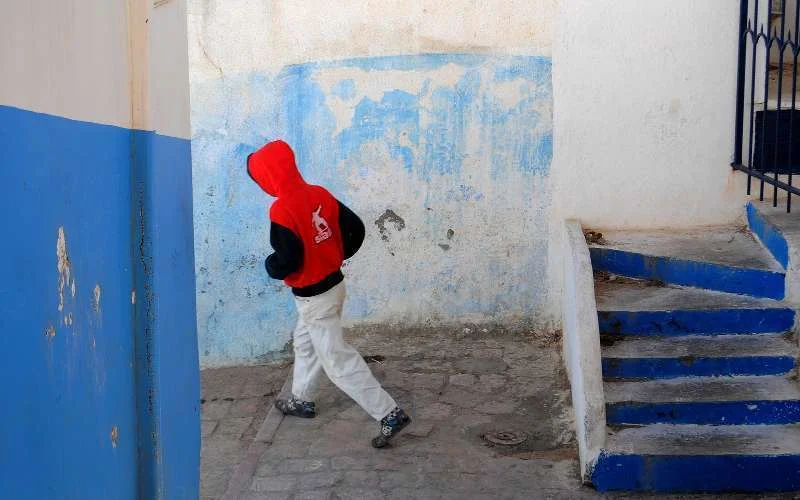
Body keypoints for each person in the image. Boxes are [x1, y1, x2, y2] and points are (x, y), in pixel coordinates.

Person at [246, 140, 411, 448]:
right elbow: (356, 228)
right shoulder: (319, 193)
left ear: (268, 177)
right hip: (334, 286)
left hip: (313, 297)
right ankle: (302, 399)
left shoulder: (281, 209)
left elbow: (287, 260)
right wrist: (334, 255)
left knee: (337, 361)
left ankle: (389, 413)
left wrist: (271, 265)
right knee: (305, 342)